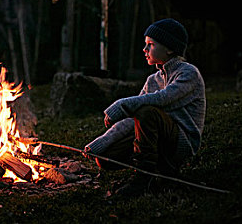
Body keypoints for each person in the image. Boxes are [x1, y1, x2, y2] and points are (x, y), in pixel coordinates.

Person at [84, 18, 206, 197]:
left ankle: (143, 179)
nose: (145, 50)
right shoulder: (153, 80)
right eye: (145, 44)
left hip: (180, 140)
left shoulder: (188, 73)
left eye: (151, 44)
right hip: (155, 135)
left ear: (169, 48)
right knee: (106, 158)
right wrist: (102, 142)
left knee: (147, 111)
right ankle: (159, 169)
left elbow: (163, 99)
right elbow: (130, 120)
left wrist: (122, 104)